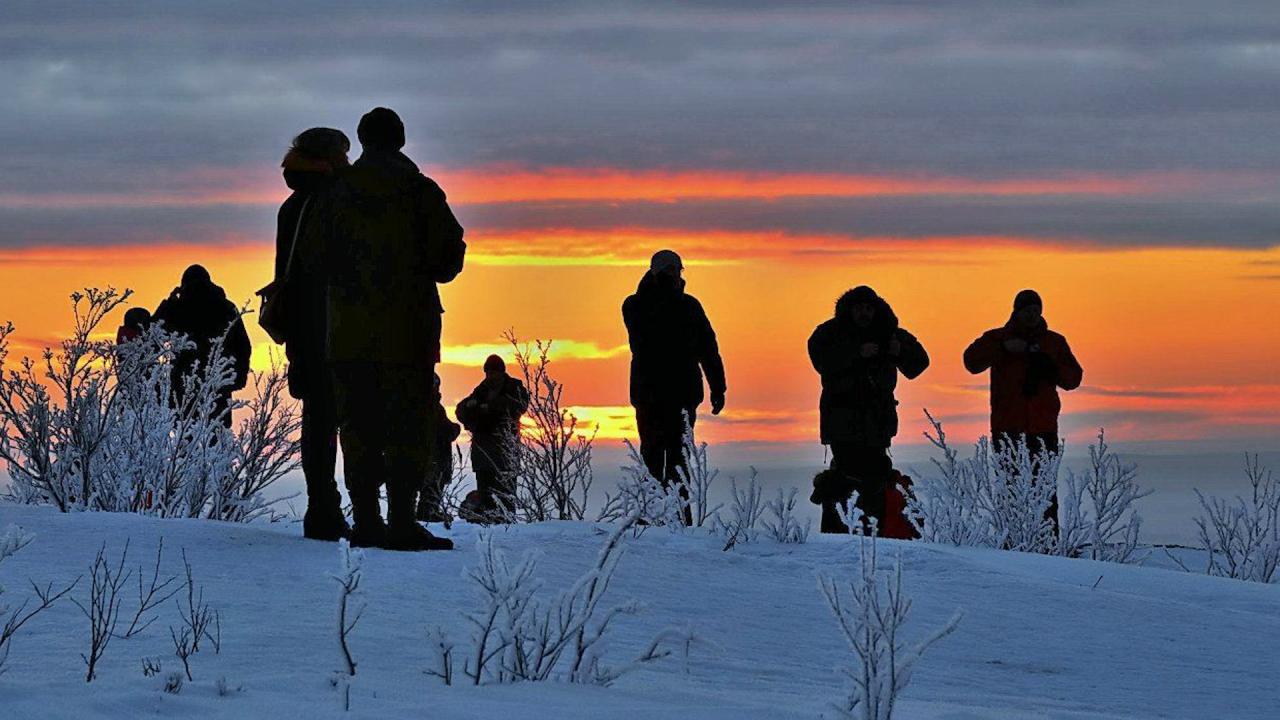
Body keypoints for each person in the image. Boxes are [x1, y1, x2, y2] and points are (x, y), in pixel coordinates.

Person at [316, 107, 466, 551]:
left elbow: (314, 258)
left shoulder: (336, 193)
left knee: (357, 425)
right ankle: (401, 520)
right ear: (400, 140)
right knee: (408, 423)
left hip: (348, 332)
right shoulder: (420, 192)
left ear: (362, 141)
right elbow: (447, 260)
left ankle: (366, 521)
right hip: (409, 332)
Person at [273, 127, 351, 541]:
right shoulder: (336, 201)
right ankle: (330, 510)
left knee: (317, 422)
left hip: (304, 328)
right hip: (334, 324)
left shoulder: (293, 204)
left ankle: (321, 506)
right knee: (342, 418)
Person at [807, 286, 928, 533]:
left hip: (878, 422)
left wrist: (900, 351)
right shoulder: (830, 333)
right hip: (842, 423)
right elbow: (820, 359)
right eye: (859, 308)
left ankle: (875, 530)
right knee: (845, 477)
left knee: (876, 478)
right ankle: (839, 532)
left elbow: (919, 364)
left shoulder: (889, 333)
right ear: (849, 310)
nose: (864, 313)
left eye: (868, 308)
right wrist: (856, 354)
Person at [963, 289, 1083, 533]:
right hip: (1009, 430)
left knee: (1045, 494)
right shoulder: (998, 338)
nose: (1032, 314)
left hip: (1043, 429)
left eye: (1036, 310)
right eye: (1027, 310)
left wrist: (1050, 366)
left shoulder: (1054, 342)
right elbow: (971, 361)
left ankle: (1047, 544)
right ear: (1016, 311)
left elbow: (1073, 379)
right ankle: (1012, 545)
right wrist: (1004, 349)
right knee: (1010, 491)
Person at [622, 249, 726, 525]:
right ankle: (652, 515)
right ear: (655, 273)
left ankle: (682, 517)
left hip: (683, 396)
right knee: (653, 456)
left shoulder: (690, 306)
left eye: (677, 271)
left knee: (679, 458)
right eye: (668, 271)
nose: (674, 275)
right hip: (650, 395)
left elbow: (708, 348)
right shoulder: (635, 305)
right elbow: (644, 340)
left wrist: (719, 387)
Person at [152, 264, 252, 427]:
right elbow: (243, 346)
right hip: (217, 384)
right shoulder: (226, 307)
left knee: (185, 441)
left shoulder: (178, 308)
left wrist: (167, 304)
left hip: (184, 386)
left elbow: (152, 335)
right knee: (217, 439)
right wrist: (237, 378)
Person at [455, 355, 530, 523]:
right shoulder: (481, 390)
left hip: (505, 451)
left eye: (494, 372)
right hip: (482, 451)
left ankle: (506, 523)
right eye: (488, 373)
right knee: (486, 493)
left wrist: (489, 408)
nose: (490, 376)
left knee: (506, 494)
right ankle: (487, 521)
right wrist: (473, 410)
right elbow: (461, 410)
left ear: (502, 372)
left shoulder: (514, 387)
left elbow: (519, 405)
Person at [416, 374, 462, 524]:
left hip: (431, 456)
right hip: (434, 456)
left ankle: (428, 511)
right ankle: (428, 512)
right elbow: (446, 430)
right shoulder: (432, 406)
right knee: (432, 485)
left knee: (431, 486)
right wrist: (456, 428)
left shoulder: (427, 405)